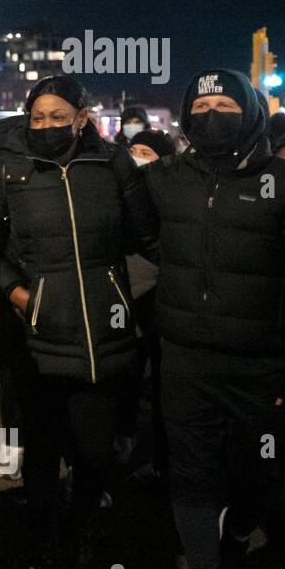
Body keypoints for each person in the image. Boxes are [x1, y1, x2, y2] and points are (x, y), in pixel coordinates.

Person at [0, 75, 159, 569]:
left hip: (102, 333)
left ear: (82, 116)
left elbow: (146, 236)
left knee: (95, 456)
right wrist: (17, 296)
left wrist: (125, 293)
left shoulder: (112, 162)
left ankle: (79, 545)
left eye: (58, 116)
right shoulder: (7, 168)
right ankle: (38, 554)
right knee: (43, 458)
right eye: (37, 117)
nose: (47, 126)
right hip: (35, 337)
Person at [142, 69, 285, 569]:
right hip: (184, 361)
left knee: (257, 474)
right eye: (201, 106)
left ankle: (240, 530)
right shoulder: (163, 179)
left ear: (253, 113)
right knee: (192, 475)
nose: (212, 115)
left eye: (225, 104)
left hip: (262, 366)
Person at [114, 128, 178, 479]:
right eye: (134, 149)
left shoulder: (172, 194)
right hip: (127, 294)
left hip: (161, 296)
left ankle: (163, 457)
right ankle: (122, 437)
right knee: (126, 373)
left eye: (147, 152)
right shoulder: (118, 190)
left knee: (163, 383)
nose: (138, 156)